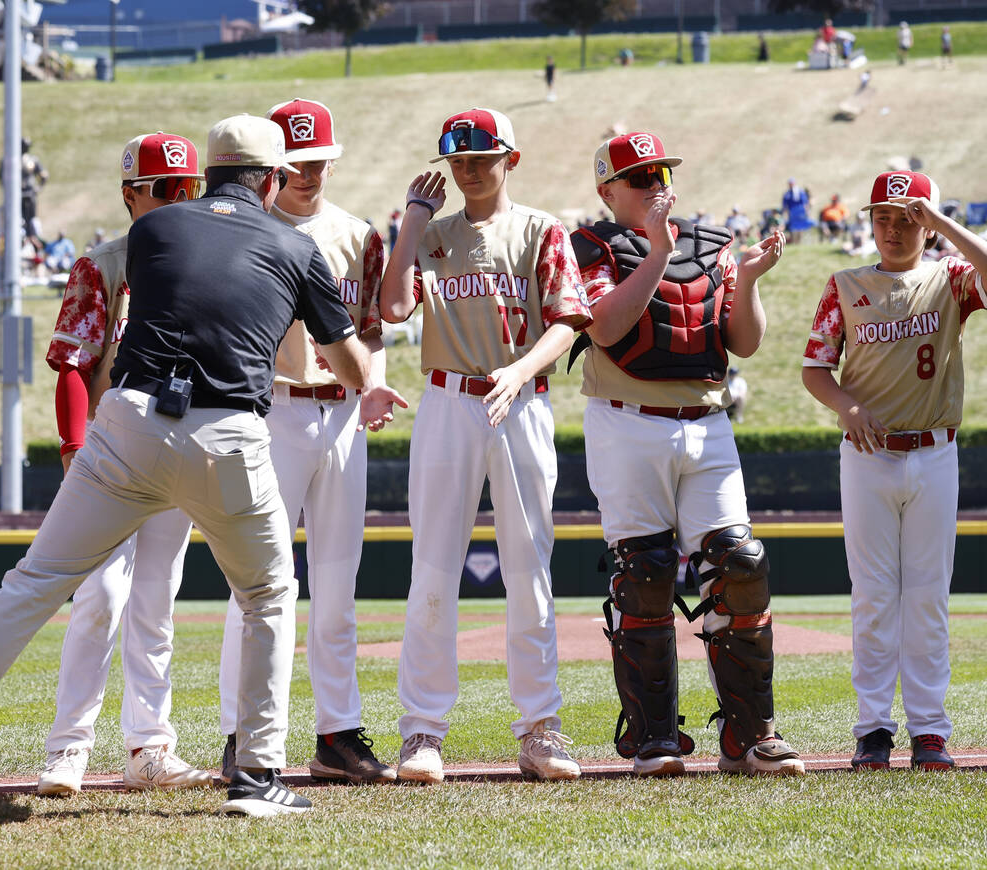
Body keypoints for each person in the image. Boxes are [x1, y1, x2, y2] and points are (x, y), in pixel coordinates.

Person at [0, 115, 391, 818]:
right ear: (275, 180)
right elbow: (344, 359)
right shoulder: (293, 242)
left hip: (128, 422)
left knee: (31, 585)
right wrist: (361, 377)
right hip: (227, 431)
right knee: (267, 595)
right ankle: (255, 777)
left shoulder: (151, 232)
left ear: (208, 175)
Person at [569, 132, 803, 777]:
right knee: (643, 574)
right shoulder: (590, 245)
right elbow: (608, 328)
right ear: (607, 190)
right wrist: (656, 253)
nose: (652, 183)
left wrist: (749, 279)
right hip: (626, 422)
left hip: (707, 420)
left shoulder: (714, 244)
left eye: (659, 172)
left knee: (740, 562)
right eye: (637, 176)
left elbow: (743, 343)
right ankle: (654, 738)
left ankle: (751, 737)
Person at [380, 107, 592, 784]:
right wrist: (412, 219)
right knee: (433, 568)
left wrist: (523, 369)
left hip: (519, 398)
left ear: (511, 158)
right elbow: (391, 307)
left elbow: (568, 322)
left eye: (482, 157)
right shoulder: (432, 234)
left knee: (529, 565)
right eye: (458, 160)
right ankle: (421, 731)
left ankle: (539, 727)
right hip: (446, 398)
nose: (468, 170)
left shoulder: (540, 229)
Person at [217, 98, 406, 786]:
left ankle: (337, 731)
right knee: (257, 579)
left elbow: (372, 330)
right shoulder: (243, 230)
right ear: (272, 165)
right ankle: (240, 735)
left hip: (344, 414)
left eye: (319, 158)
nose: (308, 170)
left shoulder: (357, 233)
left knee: (336, 584)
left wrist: (374, 384)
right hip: (269, 409)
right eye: (295, 161)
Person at [36, 132, 208, 797]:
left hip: (177, 448)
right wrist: (75, 447)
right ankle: (69, 749)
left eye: (188, 186)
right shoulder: (104, 262)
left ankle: (149, 748)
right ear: (131, 194)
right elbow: (72, 364)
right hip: (109, 454)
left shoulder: (207, 257)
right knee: (100, 598)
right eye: (164, 187)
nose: (177, 197)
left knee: (156, 603)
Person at [801, 171, 987, 772]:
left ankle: (930, 731)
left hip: (934, 451)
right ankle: (873, 727)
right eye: (884, 215)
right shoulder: (845, 283)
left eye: (907, 216)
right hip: (867, 455)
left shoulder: (951, 275)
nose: (894, 226)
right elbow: (815, 368)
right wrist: (847, 406)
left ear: (926, 221)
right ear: (869, 220)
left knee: (928, 597)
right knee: (875, 596)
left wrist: (942, 225)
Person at [782, 179, 813, 244]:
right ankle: (794, 241)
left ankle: (798, 242)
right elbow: (785, 206)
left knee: (800, 228)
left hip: (801, 213)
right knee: (793, 228)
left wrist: (807, 212)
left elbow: (805, 203)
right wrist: (786, 214)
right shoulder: (787, 194)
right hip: (792, 214)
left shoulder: (801, 192)